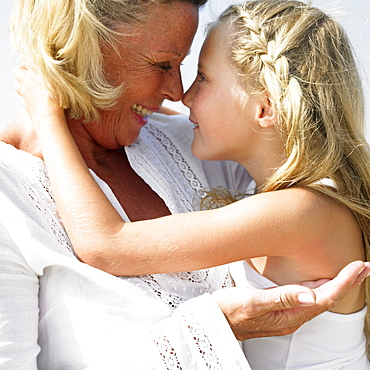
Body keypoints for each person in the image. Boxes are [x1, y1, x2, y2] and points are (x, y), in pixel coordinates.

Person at [3, 0, 370, 368]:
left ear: (266, 107)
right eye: (163, 64)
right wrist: (211, 328)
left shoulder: (292, 205)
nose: (181, 94)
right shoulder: (299, 202)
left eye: (199, 76)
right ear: (87, 50)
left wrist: (49, 115)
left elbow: (106, 243)